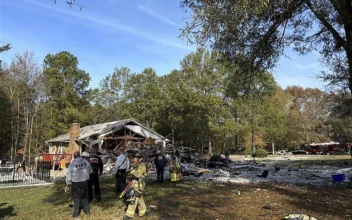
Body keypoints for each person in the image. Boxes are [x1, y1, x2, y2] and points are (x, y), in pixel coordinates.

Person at [65, 151, 93, 218]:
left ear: (74, 157)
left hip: (75, 183)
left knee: (76, 198)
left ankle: (75, 214)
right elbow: (91, 171)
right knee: (85, 197)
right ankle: (87, 211)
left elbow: (68, 175)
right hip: (84, 182)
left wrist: (67, 184)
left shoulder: (72, 165)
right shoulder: (86, 162)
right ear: (80, 156)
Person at [123, 153, 147, 220]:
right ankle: (143, 211)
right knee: (139, 198)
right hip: (136, 184)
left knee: (133, 199)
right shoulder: (137, 165)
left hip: (139, 185)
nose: (133, 159)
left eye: (134, 158)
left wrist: (132, 170)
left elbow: (138, 175)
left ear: (138, 158)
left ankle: (128, 216)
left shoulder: (142, 165)